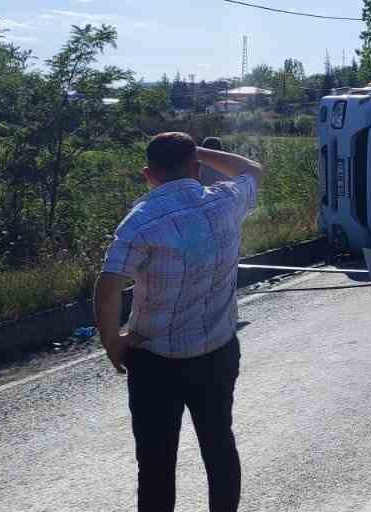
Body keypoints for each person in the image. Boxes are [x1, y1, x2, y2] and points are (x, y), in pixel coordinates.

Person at [96, 132, 264, 512]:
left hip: (155, 361)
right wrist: (198, 152)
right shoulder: (225, 202)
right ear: (196, 166)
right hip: (217, 352)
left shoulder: (139, 221)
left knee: (155, 463)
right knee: (219, 446)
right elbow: (252, 169)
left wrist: (113, 342)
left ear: (147, 174)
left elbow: (107, 287)